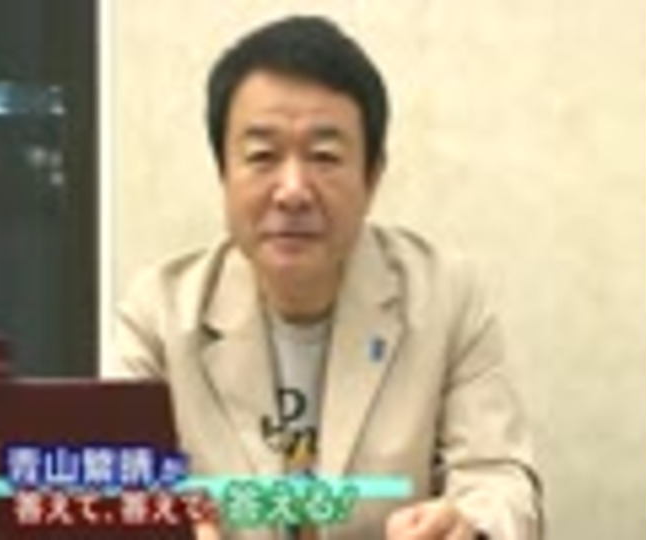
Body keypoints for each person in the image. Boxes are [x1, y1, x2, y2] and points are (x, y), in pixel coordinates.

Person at [104, 15, 542, 540]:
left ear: (372, 176)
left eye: (324, 156)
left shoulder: (447, 297)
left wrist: (467, 525)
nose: (292, 190)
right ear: (223, 172)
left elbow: (500, 479)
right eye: (262, 156)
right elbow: (110, 486)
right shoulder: (159, 313)